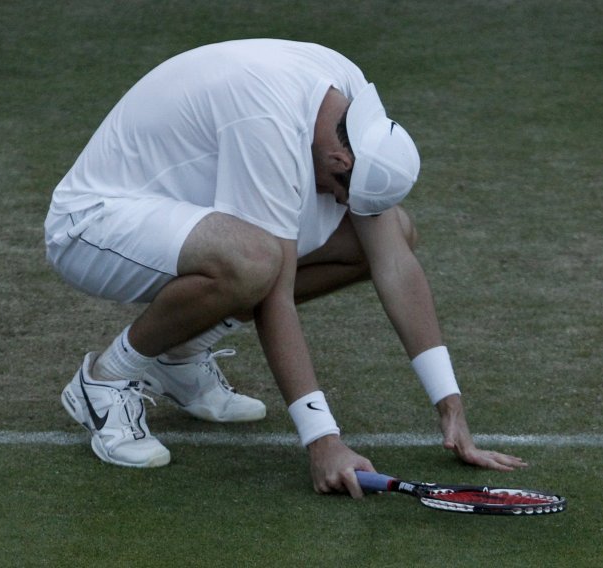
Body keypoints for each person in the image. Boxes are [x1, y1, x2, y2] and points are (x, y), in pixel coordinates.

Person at [44, 39, 526, 498]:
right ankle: (106, 379)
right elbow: (275, 293)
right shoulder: (267, 120)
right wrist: (323, 441)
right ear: (340, 159)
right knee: (253, 261)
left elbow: (395, 262)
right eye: (343, 193)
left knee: (392, 231)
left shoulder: (348, 101)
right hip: (95, 223)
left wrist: (451, 405)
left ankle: (181, 356)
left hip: (180, 213)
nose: (339, 204)